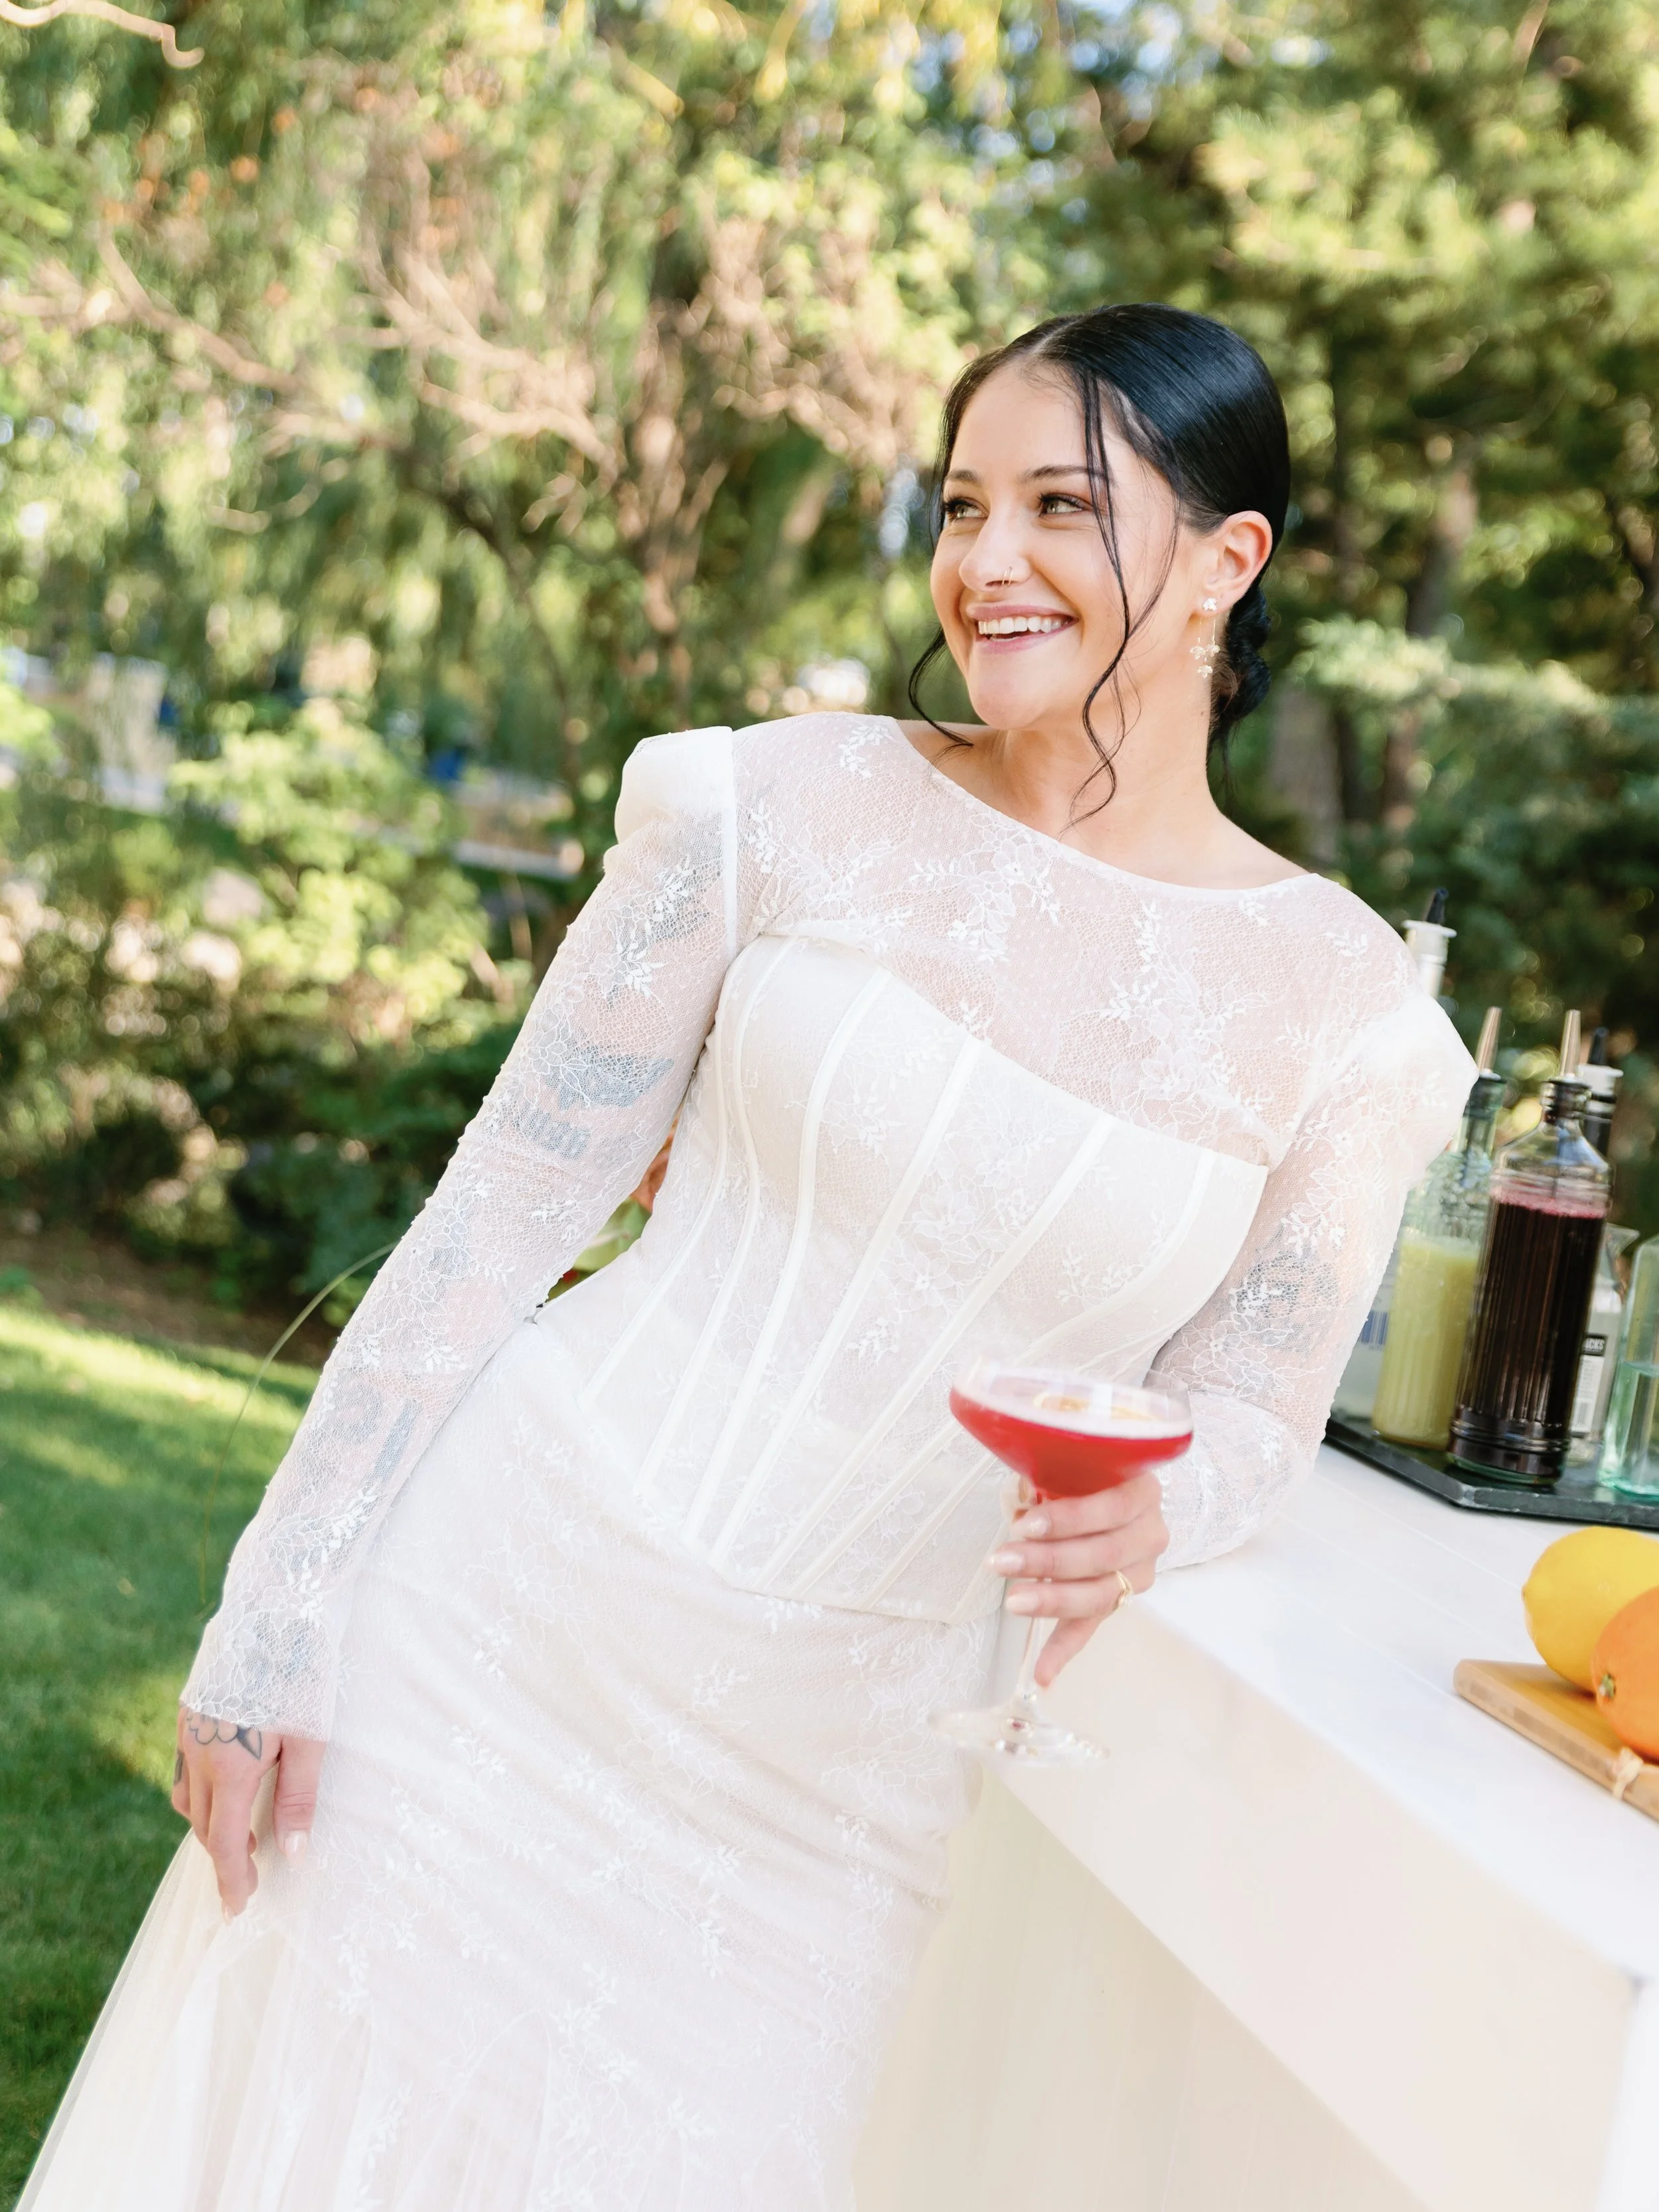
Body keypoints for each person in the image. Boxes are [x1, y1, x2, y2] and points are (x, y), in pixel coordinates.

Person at [21, 304, 1473, 2211]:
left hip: (842, 1780)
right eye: (961, 503)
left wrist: (1161, 1504)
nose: (987, 560)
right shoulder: (760, 804)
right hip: (501, 1627)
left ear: (1227, 560)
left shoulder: (1348, 1023)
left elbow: (1248, 1414)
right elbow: (497, 1217)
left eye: (1062, 504)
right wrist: (273, 1607)